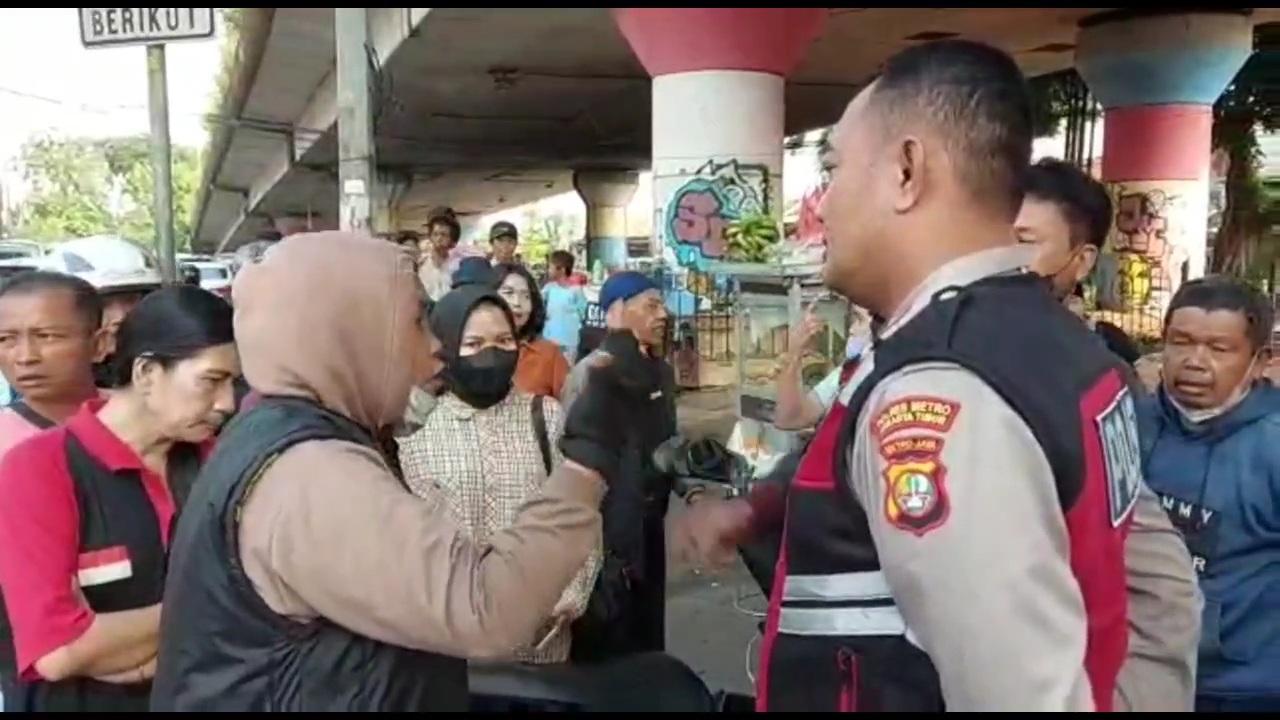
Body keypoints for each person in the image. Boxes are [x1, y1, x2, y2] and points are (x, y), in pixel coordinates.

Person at [676, 40, 1143, 711]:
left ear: (906, 171)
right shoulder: (1058, 346)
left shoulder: (939, 390)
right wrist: (763, 507)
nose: (820, 206)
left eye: (832, 168)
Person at [150, 231, 654, 711]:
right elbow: (483, 606)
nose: (435, 345)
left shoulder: (280, 436)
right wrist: (585, 464)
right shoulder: (312, 475)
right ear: (355, 336)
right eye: (415, 320)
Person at [0, 286, 237, 711]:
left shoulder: (219, 461)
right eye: (211, 381)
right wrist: (214, 608)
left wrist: (120, 640)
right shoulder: (40, 467)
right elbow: (59, 651)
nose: (227, 403)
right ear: (146, 372)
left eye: (233, 383)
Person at [399, 284, 598, 663]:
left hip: (540, 637)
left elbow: (580, 512)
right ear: (445, 347)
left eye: (504, 340)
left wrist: (570, 595)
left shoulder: (545, 416)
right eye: (474, 344)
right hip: (448, 643)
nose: (491, 354)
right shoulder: (414, 427)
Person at [1139, 276, 1280, 712]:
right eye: (1180, 343)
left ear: (1259, 361)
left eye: (1219, 349)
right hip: (1141, 670)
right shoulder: (1127, 423)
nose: (1195, 362)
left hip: (1245, 688)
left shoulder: (1273, 445)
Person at [562, 271, 676, 662]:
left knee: (648, 630)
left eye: (662, 306)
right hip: (606, 529)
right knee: (609, 634)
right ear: (615, 312)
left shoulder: (661, 371)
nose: (663, 315)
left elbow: (667, 443)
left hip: (650, 523)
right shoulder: (591, 373)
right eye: (651, 306)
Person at [1016, 157, 1141, 364]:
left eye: (1024, 242)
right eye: (997, 240)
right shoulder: (962, 336)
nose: (1002, 254)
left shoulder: (1109, 360)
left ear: (1083, 261)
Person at [0, 273, 104, 455]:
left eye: (46, 336)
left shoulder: (143, 419)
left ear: (99, 344)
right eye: (6, 339)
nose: (26, 357)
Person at [494, 263, 570, 398]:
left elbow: (570, 404)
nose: (517, 302)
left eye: (526, 296)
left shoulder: (549, 355)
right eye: (509, 293)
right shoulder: (472, 350)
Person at [542, 250, 588, 363]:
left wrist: (573, 320)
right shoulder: (549, 288)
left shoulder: (576, 291)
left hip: (568, 340)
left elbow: (582, 311)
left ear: (562, 269)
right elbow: (539, 304)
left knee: (566, 368)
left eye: (550, 267)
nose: (548, 270)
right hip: (549, 338)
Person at [417, 209, 468, 301]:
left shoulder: (458, 266)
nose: (439, 238)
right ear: (430, 237)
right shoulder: (421, 264)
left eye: (443, 235)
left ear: (452, 239)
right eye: (435, 234)